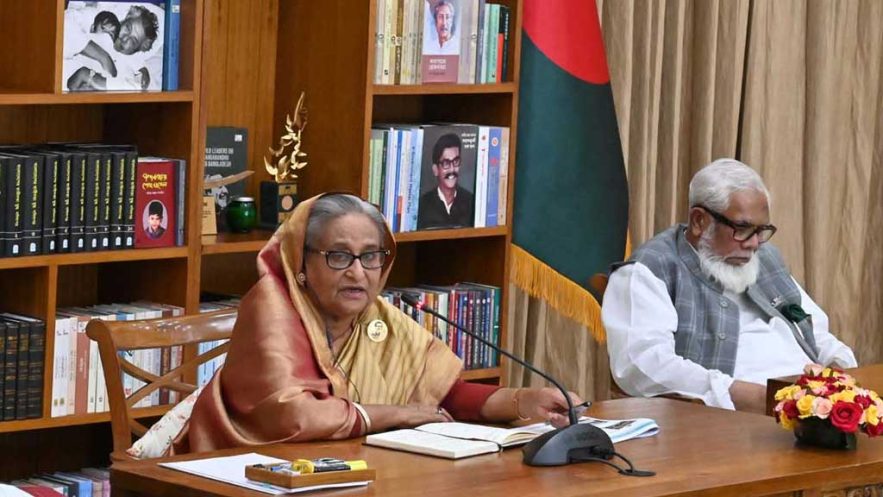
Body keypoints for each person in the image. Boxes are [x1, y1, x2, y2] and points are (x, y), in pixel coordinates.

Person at [177, 193, 581, 452]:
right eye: (339, 256)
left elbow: (443, 394)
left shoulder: (379, 318)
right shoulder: (272, 307)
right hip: (236, 470)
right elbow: (293, 417)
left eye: (371, 256)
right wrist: (396, 414)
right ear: (300, 262)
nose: (358, 273)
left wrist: (520, 401)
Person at [603, 159, 856, 414]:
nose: (754, 244)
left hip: (812, 405)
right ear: (699, 221)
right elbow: (641, 364)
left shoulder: (765, 257)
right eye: (743, 229)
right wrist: (738, 393)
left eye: (761, 230)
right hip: (733, 416)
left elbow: (812, 330)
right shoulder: (649, 270)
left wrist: (839, 368)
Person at [417, 133, 474, 229]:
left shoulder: (471, 201)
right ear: (435, 170)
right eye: (446, 163)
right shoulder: (422, 205)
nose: (452, 169)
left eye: (456, 161)